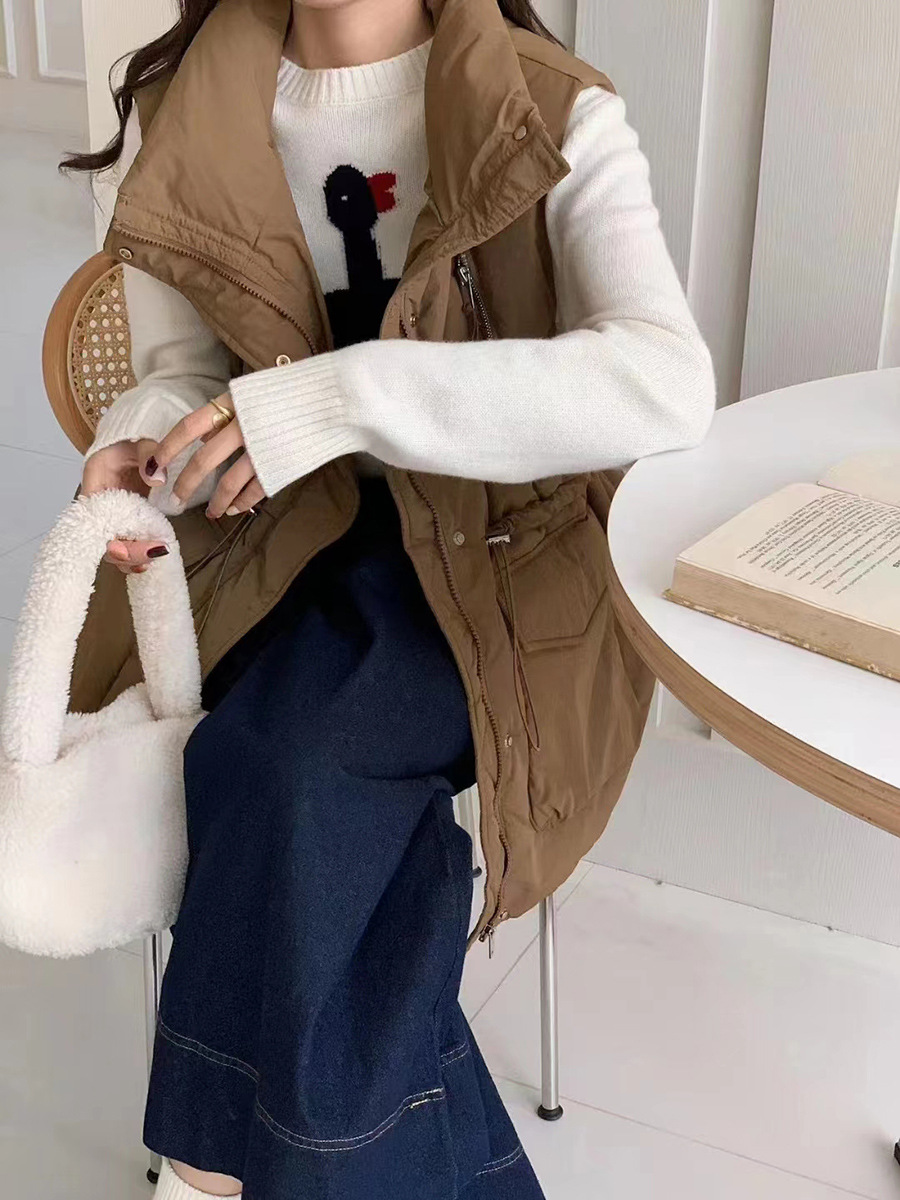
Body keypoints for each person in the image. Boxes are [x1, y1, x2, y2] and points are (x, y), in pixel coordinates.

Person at [65, 0, 715, 1196]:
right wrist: (143, 440)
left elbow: (666, 382)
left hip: (501, 560)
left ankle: (214, 1164)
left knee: (286, 774)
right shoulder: (185, 105)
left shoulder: (547, 105)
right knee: (283, 785)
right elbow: (182, 374)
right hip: (276, 549)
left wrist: (338, 397)